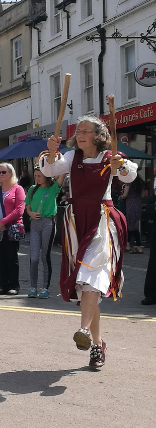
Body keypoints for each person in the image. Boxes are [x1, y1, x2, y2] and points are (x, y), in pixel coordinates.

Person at [41, 115, 137, 368]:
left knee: (91, 276)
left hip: (101, 222)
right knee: (86, 287)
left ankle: (83, 329)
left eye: (86, 131)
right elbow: (49, 170)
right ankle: (97, 344)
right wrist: (51, 152)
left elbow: (128, 176)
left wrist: (122, 166)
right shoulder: (72, 157)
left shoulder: (110, 157)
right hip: (76, 223)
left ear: (98, 135)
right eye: (78, 131)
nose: (80, 134)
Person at [0, 163, 26, 296]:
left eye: (3, 172)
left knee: (12, 257)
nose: (0, 174)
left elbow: (19, 210)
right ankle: (3, 285)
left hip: (11, 228)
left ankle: (13, 285)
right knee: (0, 258)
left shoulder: (17, 189)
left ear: (11, 173)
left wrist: (3, 221)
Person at [25, 168, 65, 298]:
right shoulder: (32, 189)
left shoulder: (53, 188)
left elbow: (61, 174)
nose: (37, 178)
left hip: (48, 223)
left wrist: (52, 165)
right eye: (35, 176)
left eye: (40, 176)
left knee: (45, 256)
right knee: (34, 257)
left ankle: (45, 287)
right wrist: (30, 213)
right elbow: (28, 206)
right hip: (35, 224)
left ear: (46, 176)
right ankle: (33, 287)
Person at [122, 176, 145, 254]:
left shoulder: (129, 182)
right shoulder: (140, 182)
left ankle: (131, 246)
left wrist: (121, 196)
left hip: (131, 204)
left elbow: (125, 194)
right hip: (138, 204)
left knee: (130, 225)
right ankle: (136, 246)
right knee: (133, 225)